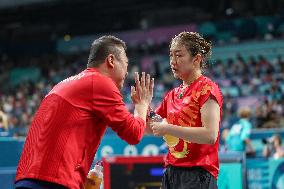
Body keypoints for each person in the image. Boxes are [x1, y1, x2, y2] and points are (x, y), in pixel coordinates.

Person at [15, 35, 154, 189]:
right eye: (126, 64)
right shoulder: (100, 83)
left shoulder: (64, 84)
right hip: (54, 181)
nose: (127, 72)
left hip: (28, 179)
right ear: (111, 60)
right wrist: (142, 105)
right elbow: (134, 133)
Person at [150, 32, 223, 189]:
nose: (172, 62)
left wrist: (167, 128)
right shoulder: (172, 95)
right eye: (170, 56)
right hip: (171, 172)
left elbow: (210, 135)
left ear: (196, 59)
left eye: (178, 55)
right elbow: (151, 127)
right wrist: (142, 106)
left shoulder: (207, 89)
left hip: (197, 174)